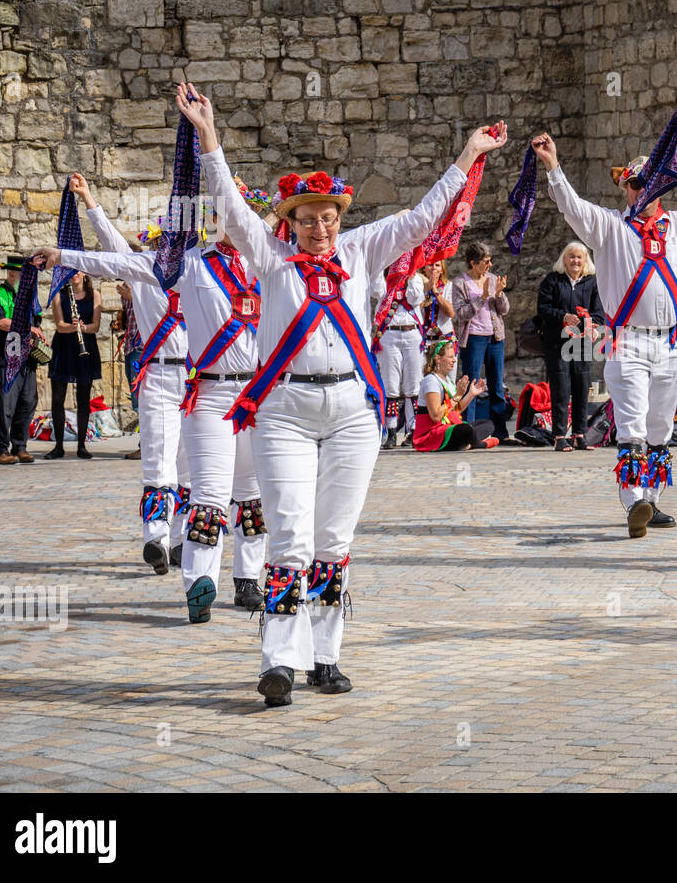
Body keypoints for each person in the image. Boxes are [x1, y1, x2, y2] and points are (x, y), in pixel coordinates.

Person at [177, 82, 508, 707]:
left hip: (354, 413)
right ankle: (279, 660)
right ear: (290, 223)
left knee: (333, 539)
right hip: (283, 413)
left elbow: (421, 219)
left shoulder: (361, 252)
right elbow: (230, 206)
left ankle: (326, 656)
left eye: (329, 217)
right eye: (308, 219)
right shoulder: (270, 259)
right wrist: (208, 137)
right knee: (289, 537)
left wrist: (467, 154)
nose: (321, 227)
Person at [531, 138, 677, 538]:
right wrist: (553, 167)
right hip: (628, 341)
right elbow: (573, 208)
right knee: (633, 423)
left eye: (651, 183)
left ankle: (651, 501)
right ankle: (634, 500)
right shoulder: (611, 227)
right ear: (627, 188)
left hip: (670, 344)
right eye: (636, 183)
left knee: (660, 425)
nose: (643, 190)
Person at [47, 174, 190, 574]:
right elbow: (110, 247)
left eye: (175, 242)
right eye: (163, 242)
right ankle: (157, 538)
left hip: (199, 381)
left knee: (190, 464)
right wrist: (89, 197)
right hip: (160, 376)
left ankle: (180, 540)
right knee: (160, 460)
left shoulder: (202, 275)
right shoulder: (143, 271)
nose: (168, 249)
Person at [536, 241, 605, 451]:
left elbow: (599, 314)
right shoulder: (552, 281)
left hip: (582, 343)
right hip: (558, 343)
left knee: (582, 387)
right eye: (571, 257)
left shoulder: (592, 283)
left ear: (585, 261)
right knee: (561, 389)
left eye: (579, 257)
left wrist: (590, 323)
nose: (575, 261)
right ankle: (559, 436)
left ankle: (579, 434)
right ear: (564, 259)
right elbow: (543, 309)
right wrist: (563, 316)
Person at [0, 255, 43, 464]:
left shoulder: (30, 299)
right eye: (25, 274)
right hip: (3, 359)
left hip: (26, 359)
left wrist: (38, 334)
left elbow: (37, 322)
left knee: (27, 402)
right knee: (4, 405)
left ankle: (20, 446)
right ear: (13, 273)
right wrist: (29, 328)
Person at [451, 241, 511, 441]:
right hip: (474, 338)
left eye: (490, 260)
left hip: (495, 338)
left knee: (497, 385)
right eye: (486, 261)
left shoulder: (492, 279)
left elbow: (504, 310)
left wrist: (500, 294)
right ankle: (469, 432)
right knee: (471, 384)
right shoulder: (460, 283)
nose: (490, 265)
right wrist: (482, 297)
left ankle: (501, 432)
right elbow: (461, 313)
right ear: (473, 263)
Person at [45, 271, 102, 459]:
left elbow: (95, 326)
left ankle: (81, 446)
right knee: (57, 398)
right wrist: (75, 327)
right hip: (64, 347)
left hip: (85, 348)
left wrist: (83, 328)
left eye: (77, 270)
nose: (74, 274)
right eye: (70, 271)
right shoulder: (59, 295)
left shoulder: (95, 295)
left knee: (84, 399)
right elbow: (60, 325)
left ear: (85, 273)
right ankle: (59, 446)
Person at [374, 260, 425, 450]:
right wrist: (380, 268)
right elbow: (377, 291)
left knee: (413, 385)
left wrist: (411, 273)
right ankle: (391, 431)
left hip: (411, 334)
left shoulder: (416, 280)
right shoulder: (384, 281)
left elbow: (414, 298)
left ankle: (414, 430)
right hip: (389, 334)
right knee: (391, 385)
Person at [413, 337, 498, 450]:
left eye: (454, 357)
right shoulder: (431, 381)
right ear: (438, 359)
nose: (454, 360)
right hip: (432, 432)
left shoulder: (447, 380)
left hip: (448, 426)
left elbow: (455, 411)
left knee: (487, 424)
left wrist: (470, 394)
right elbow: (436, 416)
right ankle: (478, 443)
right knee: (466, 430)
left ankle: (468, 442)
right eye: (450, 357)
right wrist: (458, 395)